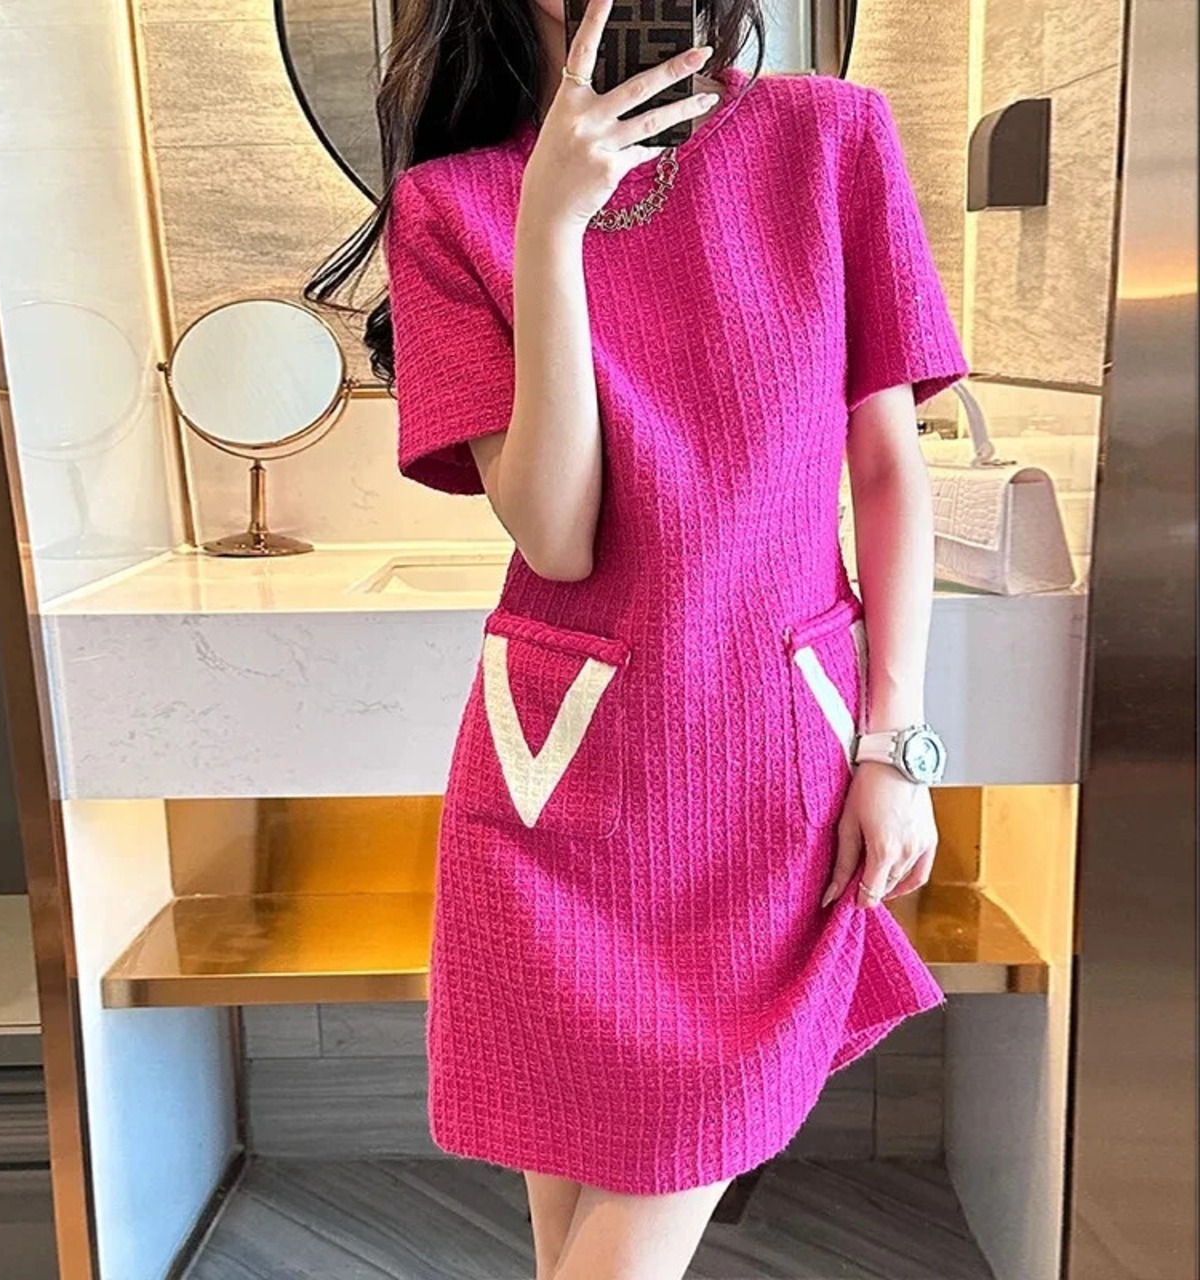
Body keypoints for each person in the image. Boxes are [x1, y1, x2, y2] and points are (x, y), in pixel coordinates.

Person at [309, 0, 969, 1275]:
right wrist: (548, 223)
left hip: (767, 774)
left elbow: (888, 470)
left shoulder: (827, 139)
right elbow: (557, 534)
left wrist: (895, 745)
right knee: (570, 1245)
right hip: (555, 789)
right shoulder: (451, 206)